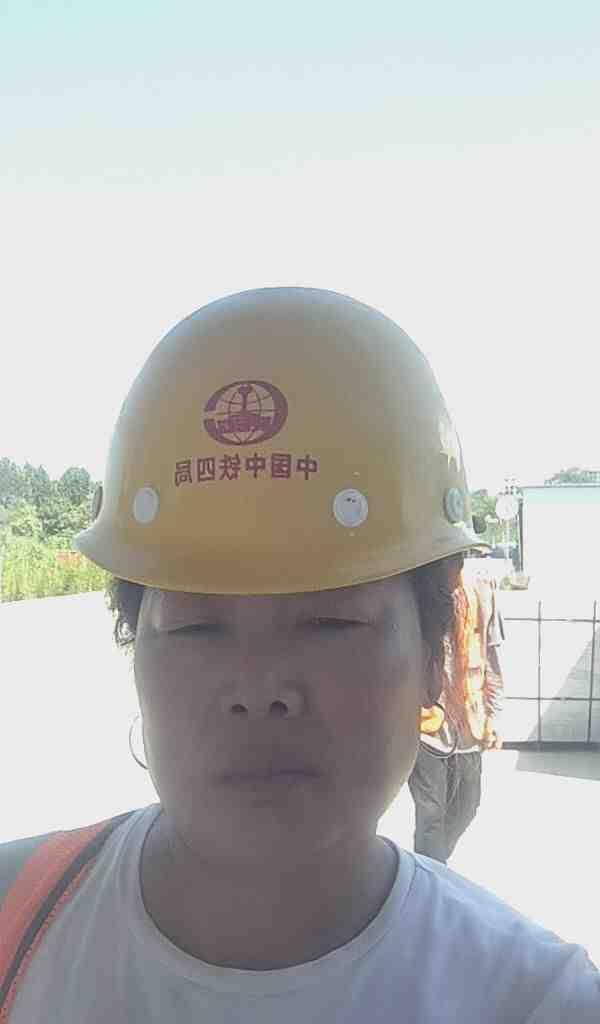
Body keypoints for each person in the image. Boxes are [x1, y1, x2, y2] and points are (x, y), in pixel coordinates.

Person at [0, 289, 598, 1022]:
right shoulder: (15, 924)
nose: (258, 687)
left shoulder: (538, 1002)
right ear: (136, 650)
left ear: (434, 654)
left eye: (330, 621)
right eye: (196, 626)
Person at [408, 532, 505, 865]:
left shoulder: (482, 593)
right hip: (425, 726)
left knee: (467, 806)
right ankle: (434, 876)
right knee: (430, 814)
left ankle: (434, 869)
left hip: (469, 723)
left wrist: (495, 714)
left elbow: (492, 658)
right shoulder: (417, 597)